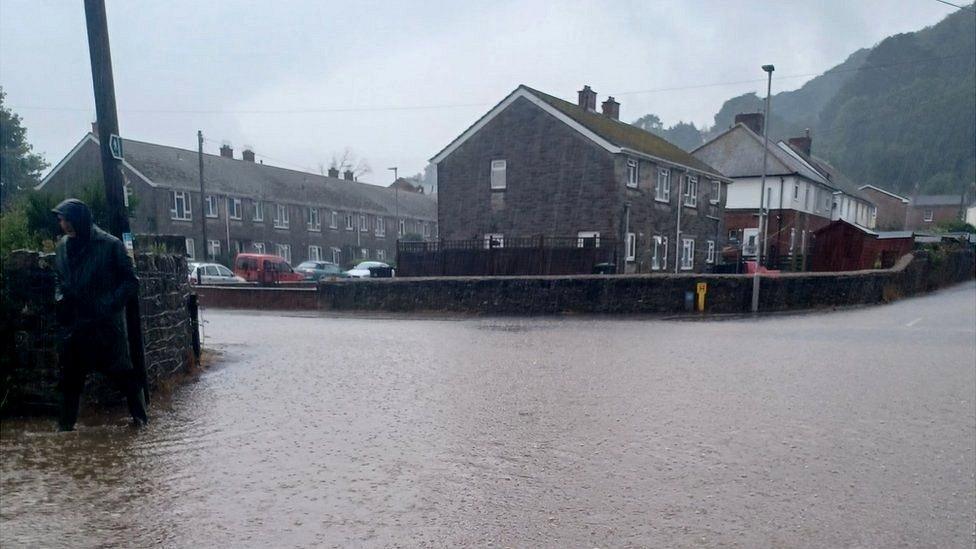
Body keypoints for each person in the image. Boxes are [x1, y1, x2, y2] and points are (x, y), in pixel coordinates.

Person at [52, 198, 148, 431]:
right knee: (69, 382)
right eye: (61, 220)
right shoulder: (62, 246)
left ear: (78, 220)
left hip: (104, 326)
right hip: (75, 326)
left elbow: (130, 282)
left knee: (124, 376)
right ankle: (64, 430)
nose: (62, 224)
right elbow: (59, 278)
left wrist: (107, 305)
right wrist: (60, 298)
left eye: (65, 219)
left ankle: (141, 422)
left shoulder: (110, 244)